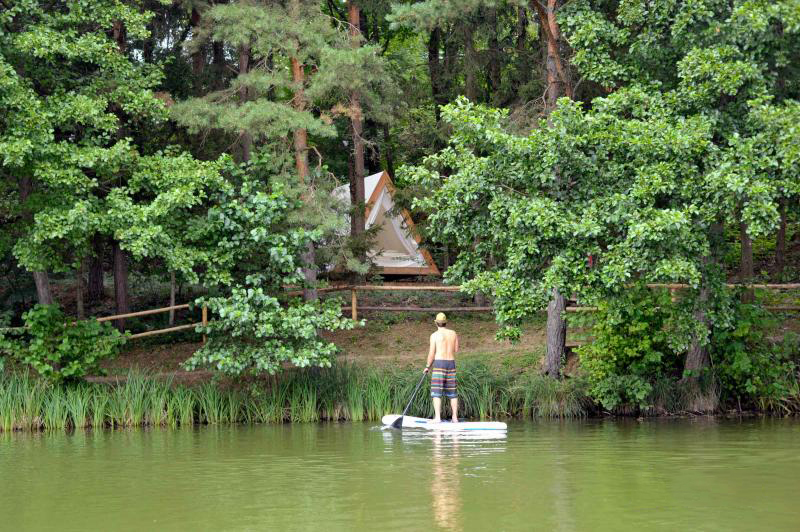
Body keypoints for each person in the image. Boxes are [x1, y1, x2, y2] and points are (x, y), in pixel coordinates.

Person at [423, 312, 459, 422]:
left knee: (436, 392)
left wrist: (427, 366)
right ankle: (455, 418)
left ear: (436, 323)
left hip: (439, 364)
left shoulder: (434, 335)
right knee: (453, 393)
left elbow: (431, 353)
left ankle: (437, 418)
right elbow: (456, 349)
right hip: (451, 363)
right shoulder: (453, 333)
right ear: (445, 322)